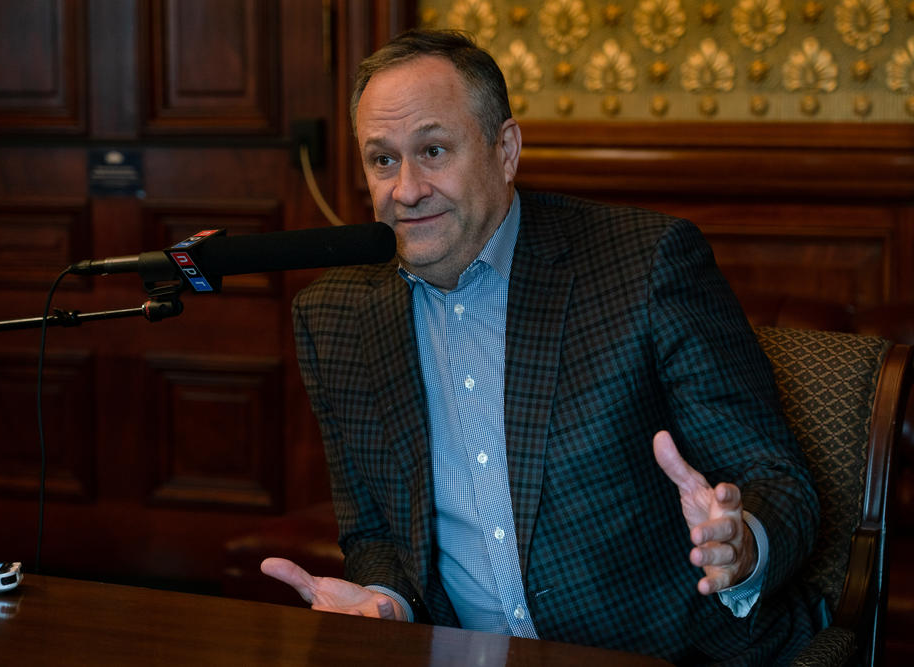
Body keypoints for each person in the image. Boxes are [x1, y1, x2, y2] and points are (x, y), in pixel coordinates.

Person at [262, 29, 821, 665]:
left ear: (505, 150)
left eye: (434, 150)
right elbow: (376, 532)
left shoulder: (646, 266)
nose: (406, 189)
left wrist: (740, 543)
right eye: (382, 160)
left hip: (678, 655)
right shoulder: (335, 316)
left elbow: (780, 482)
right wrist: (388, 599)